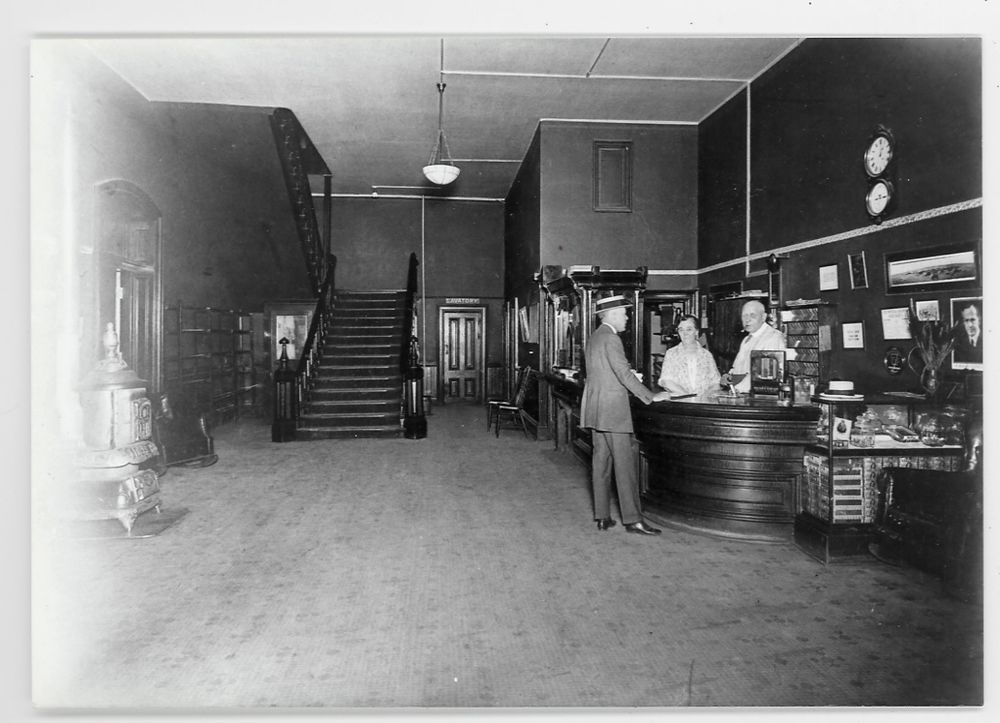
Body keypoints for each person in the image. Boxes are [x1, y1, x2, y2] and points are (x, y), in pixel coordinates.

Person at [580, 295, 671, 535]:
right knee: (625, 466)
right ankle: (633, 520)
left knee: (601, 462)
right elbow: (623, 373)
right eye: (623, 313)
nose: (627, 317)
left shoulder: (595, 337)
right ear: (610, 315)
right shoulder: (612, 338)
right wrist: (650, 396)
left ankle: (602, 516)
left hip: (597, 409)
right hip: (613, 412)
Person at [720, 299, 785, 393]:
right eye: (744, 315)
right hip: (743, 392)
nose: (747, 319)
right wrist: (728, 376)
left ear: (763, 317)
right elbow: (737, 368)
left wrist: (737, 389)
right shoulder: (746, 339)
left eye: (752, 315)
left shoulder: (773, 337)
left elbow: (763, 374)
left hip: (761, 396)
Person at [657, 315, 721, 396]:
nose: (685, 333)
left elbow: (716, 383)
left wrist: (703, 397)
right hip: (681, 404)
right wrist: (688, 397)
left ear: (696, 331)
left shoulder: (707, 355)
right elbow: (666, 381)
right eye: (681, 330)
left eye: (689, 329)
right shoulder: (671, 354)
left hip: (703, 403)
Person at [952, 300, 982, 364]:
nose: (970, 325)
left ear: (979, 319)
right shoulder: (959, 342)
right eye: (966, 320)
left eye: (973, 319)